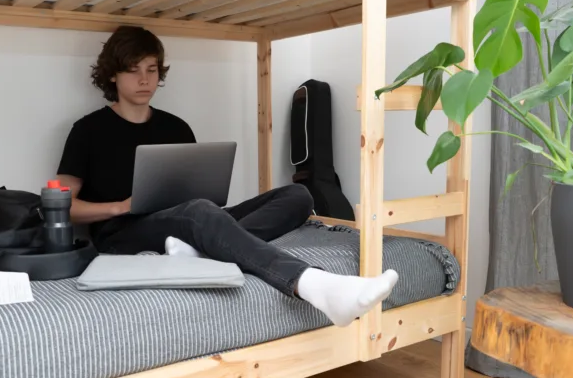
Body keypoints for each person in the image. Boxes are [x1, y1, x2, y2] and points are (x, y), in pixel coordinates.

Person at [56, 25, 398, 327]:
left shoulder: (176, 127)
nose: (145, 80)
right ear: (112, 75)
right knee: (200, 212)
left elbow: (194, 189)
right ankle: (313, 285)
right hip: (123, 233)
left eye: (151, 69)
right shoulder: (88, 130)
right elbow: (63, 206)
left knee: (297, 197)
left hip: (186, 222)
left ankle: (201, 253)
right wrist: (118, 207)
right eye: (133, 71)